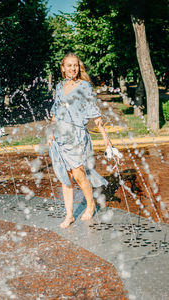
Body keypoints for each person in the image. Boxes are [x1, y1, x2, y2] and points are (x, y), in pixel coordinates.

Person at [47, 52, 111, 229]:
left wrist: (106, 139)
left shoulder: (84, 86)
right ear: (63, 68)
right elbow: (55, 111)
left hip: (77, 136)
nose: (72, 68)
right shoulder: (59, 86)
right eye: (69, 65)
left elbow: (95, 113)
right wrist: (50, 133)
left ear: (78, 67)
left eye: (75, 65)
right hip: (60, 135)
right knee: (64, 176)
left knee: (78, 174)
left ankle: (90, 204)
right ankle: (69, 215)